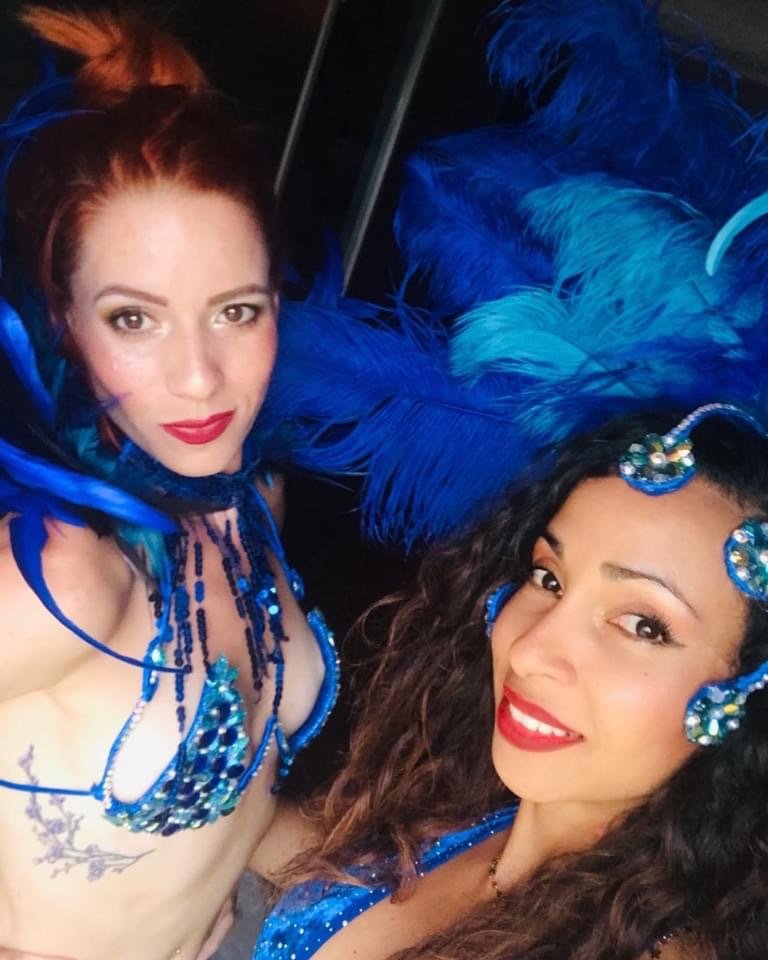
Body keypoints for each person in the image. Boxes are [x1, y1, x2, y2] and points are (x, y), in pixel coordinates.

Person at [244, 1, 768, 957]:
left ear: (745, 699)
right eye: (548, 576)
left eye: (644, 624)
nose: (531, 650)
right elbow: (298, 860)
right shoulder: (481, 819)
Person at [0, 7, 337, 960]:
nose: (199, 379)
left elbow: (238, 808)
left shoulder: (253, 501)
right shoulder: (60, 575)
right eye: (134, 319)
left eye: (235, 311)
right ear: (62, 321)